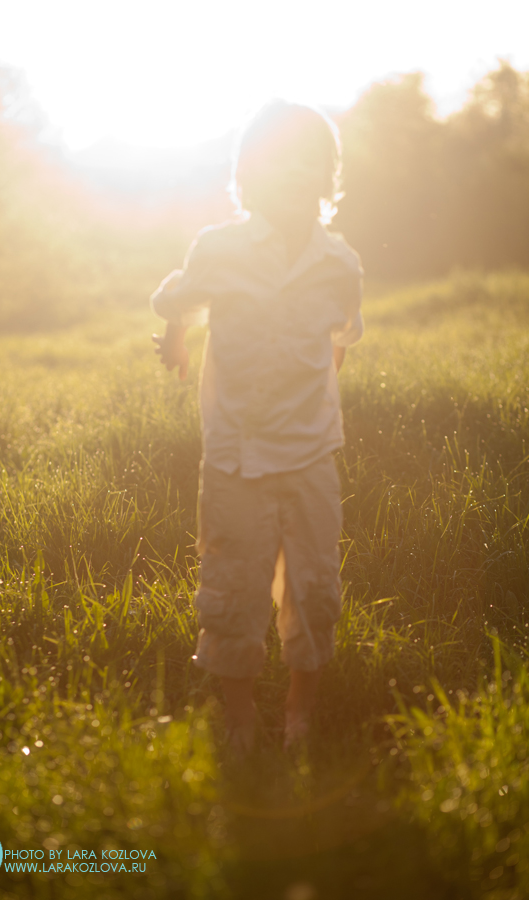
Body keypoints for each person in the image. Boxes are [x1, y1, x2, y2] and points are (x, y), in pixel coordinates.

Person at [150, 99, 363, 755]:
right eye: (280, 159)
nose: (296, 171)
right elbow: (179, 299)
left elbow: (340, 339)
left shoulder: (340, 263)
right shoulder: (220, 249)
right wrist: (176, 338)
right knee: (233, 581)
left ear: (328, 175)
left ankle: (302, 705)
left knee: (315, 584)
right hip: (235, 450)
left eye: (311, 160)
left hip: (310, 451)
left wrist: (316, 390)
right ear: (249, 172)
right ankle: (238, 709)